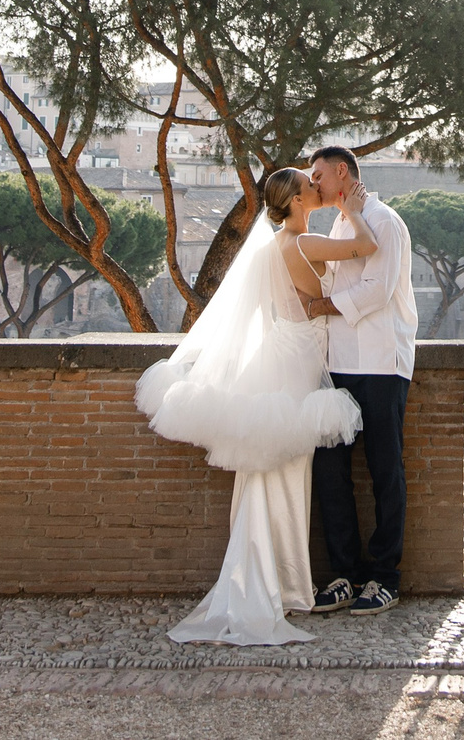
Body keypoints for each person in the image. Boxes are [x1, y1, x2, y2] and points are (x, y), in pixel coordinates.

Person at [135, 167, 375, 645]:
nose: (318, 187)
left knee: (264, 474)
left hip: (282, 358)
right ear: (298, 202)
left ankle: (272, 581)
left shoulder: (273, 247)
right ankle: (280, 585)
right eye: (311, 186)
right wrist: (353, 210)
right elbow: (366, 247)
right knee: (285, 473)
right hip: (299, 363)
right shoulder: (303, 244)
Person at [300, 145, 418, 616]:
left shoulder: (384, 220)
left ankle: (386, 576)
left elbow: (376, 290)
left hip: (382, 362)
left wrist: (322, 307)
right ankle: (344, 573)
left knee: (385, 470)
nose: (315, 184)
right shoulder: (340, 223)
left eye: (319, 175)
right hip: (339, 362)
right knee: (332, 471)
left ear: (342, 172)